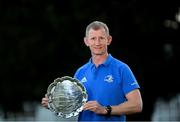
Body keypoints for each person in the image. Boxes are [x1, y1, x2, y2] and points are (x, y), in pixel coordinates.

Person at [41, 21, 143, 121]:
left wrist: (105, 109)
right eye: (93, 38)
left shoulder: (122, 69)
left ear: (109, 40)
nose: (97, 43)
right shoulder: (80, 72)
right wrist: (54, 104)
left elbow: (137, 105)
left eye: (101, 38)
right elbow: (73, 106)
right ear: (86, 41)